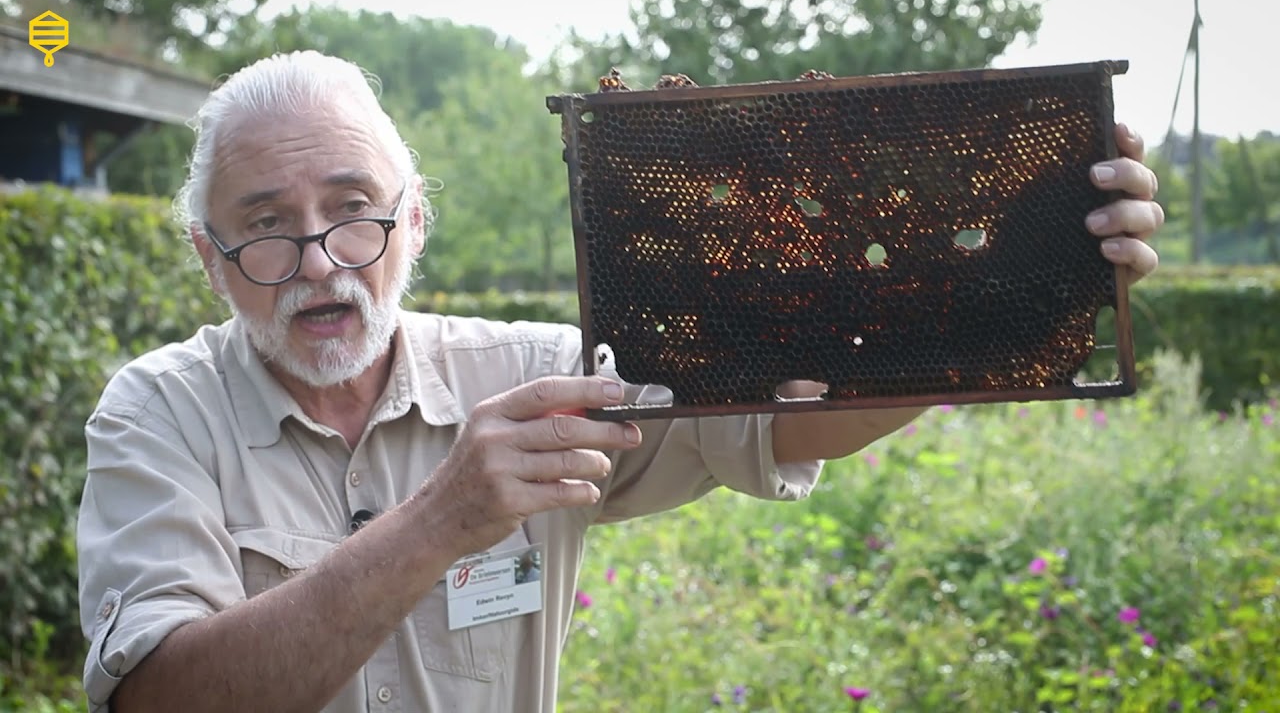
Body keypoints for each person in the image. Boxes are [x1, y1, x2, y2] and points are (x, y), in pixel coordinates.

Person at [76, 50, 1163, 713]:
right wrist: (443, 518)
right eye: (265, 228)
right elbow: (165, 699)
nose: (318, 259)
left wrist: (1018, 286)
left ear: (412, 221)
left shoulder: (543, 375)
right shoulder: (155, 417)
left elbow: (789, 426)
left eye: (353, 210)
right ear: (206, 254)